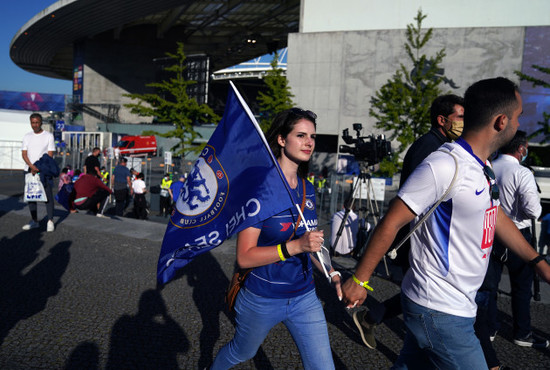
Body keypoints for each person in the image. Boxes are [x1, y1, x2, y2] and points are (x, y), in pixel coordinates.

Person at [341, 77, 550, 369]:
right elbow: (391, 221)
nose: (518, 124)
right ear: (501, 121)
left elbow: (497, 216)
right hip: (439, 308)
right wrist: (360, 279)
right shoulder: (443, 165)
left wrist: (537, 259)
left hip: (455, 304)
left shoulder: (482, 165)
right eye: (517, 117)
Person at [212, 108, 342, 369]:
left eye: (313, 137)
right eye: (301, 135)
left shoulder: (308, 188)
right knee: (242, 351)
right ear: (282, 140)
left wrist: (332, 273)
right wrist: (296, 246)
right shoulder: (260, 189)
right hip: (262, 298)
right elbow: (244, 256)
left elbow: (312, 245)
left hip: (305, 297)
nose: (309, 143)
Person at [353, 94, 464, 349]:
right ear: (442, 120)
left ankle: (373, 318)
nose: (464, 122)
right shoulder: (430, 148)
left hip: (427, 235)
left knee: (418, 290)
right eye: (460, 117)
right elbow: (410, 203)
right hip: (418, 236)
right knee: (422, 293)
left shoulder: (441, 145)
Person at [485, 130, 547, 348]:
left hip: (491, 231)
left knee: (489, 285)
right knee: (521, 288)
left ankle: (489, 328)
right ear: (522, 149)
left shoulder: (489, 166)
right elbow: (533, 210)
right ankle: (522, 333)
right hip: (518, 234)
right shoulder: (522, 173)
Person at [21, 113, 56, 232]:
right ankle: (34, 220)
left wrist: (38, 167)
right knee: (31, 196)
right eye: (32, 123)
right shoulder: (27, 136)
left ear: (41, 122)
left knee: (47, 197)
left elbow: (49, 155)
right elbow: (24, 154)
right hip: (29, 170)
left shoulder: (48, 136)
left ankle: (50, 221)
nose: (34, 125)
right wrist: (31, 166)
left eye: (37, 122)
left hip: (43, 170)